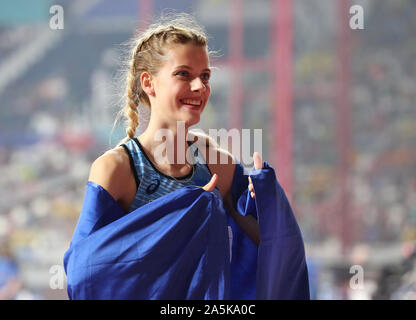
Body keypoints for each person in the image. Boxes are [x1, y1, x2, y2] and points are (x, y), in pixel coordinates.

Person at [64, 13, 309, 300]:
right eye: (184, 74)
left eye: (205, 76)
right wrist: (181, 213)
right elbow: (84, 272)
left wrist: (268, 205)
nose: (199, 87)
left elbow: (271, 254)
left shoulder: (218, 163)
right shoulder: (118, 168)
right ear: (149, 83)